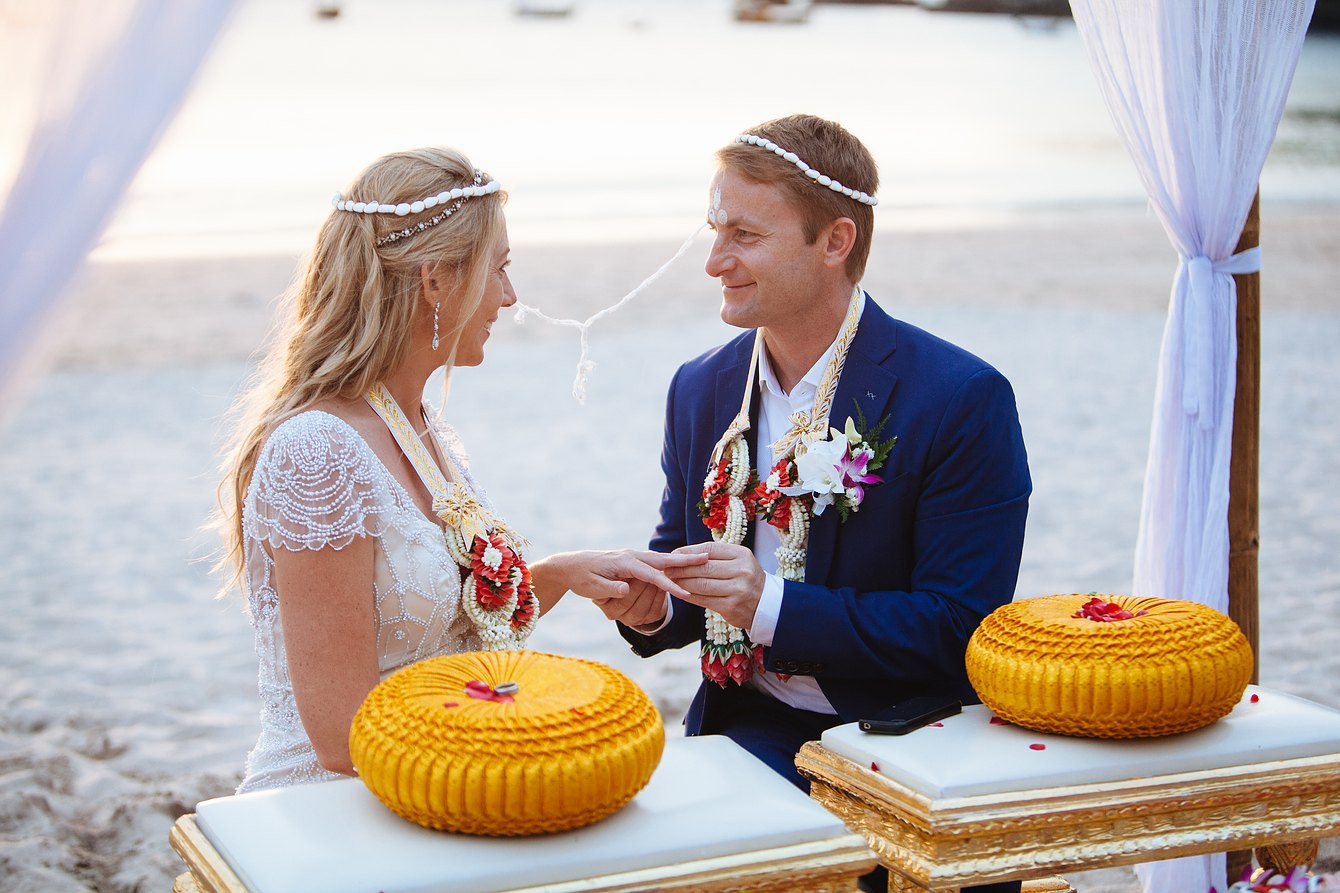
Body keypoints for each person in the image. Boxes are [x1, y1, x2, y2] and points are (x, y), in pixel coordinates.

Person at [597, 115, 1031, 893]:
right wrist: (653, 608)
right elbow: (688, 575)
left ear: (834, 242)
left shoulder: (961, 399)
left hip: (913, 740)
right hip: (745, 729)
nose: (714, 261)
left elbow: (961, 627)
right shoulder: (699, 388)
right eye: (713, 228)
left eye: (744, 235)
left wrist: (772, 604)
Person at [215, 146, 703, 793]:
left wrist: (563, 574)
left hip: (427, 782)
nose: (510, 296)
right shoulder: (317, 452)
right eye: (498, 269)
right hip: (336, 804)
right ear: (436, 280)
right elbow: (340, 735)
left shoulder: (416, 426)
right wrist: (528, 737)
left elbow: (452, 631)